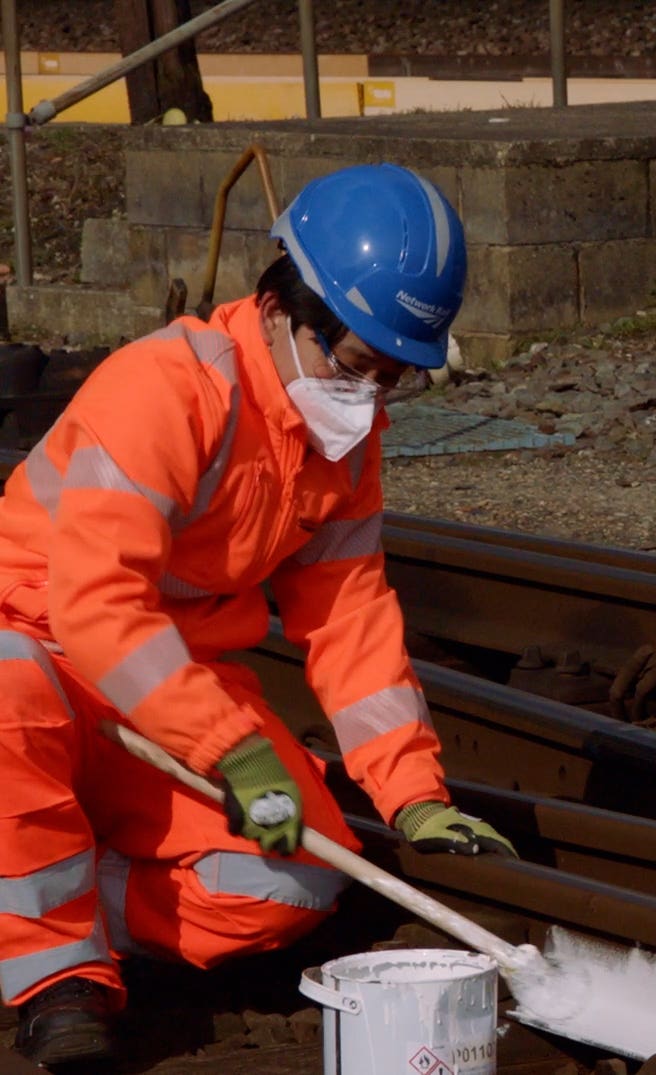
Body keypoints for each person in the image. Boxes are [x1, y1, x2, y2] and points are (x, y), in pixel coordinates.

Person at [0, 163, 516, 1066]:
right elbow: (96, 605)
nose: (371, 395)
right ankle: (56, 979)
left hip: (160, 684)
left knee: (292, 883)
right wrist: (228, 751)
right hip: (36, 643)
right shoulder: (165, 389)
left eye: (395, 377)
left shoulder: (342, 440)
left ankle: (39, 891)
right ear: (287, 308)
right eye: (360, 365)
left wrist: (413, 792)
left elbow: (350, 616)